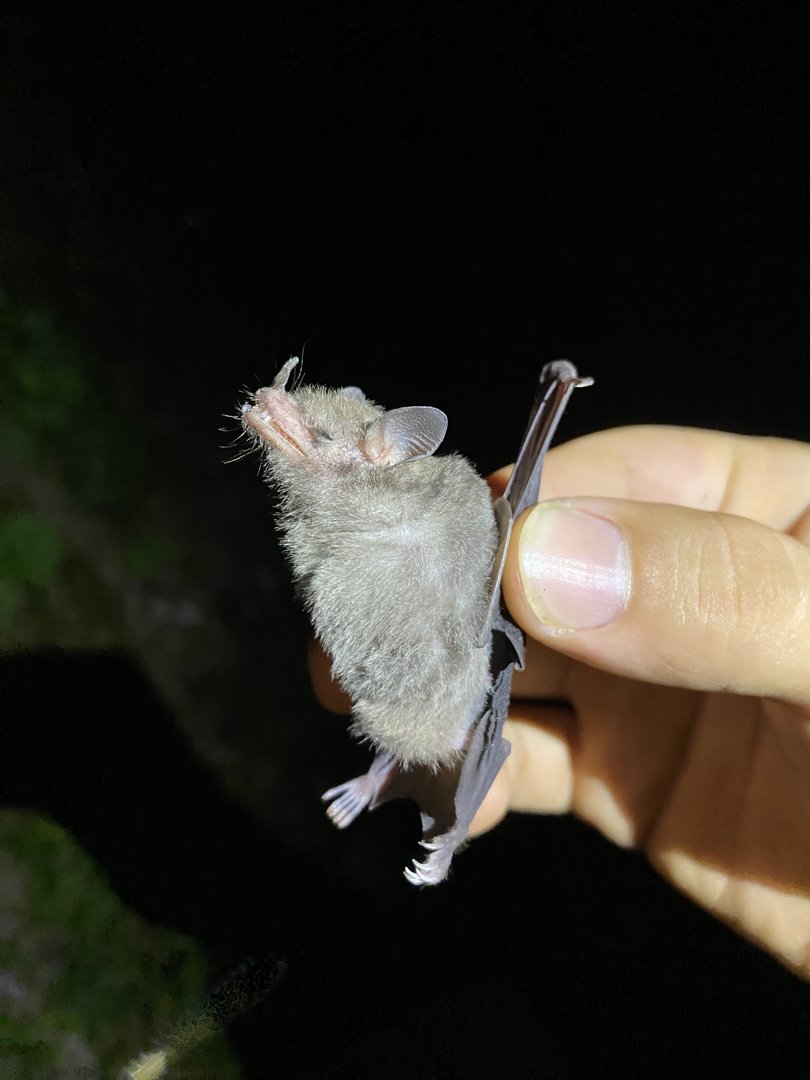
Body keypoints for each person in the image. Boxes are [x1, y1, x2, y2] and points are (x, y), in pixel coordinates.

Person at [310, 426, 810, 981]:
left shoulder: (428, 513)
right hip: (432, 672)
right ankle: (384, 781)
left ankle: (426, 820)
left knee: (452, 717)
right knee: (405, 701)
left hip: (460, 667)